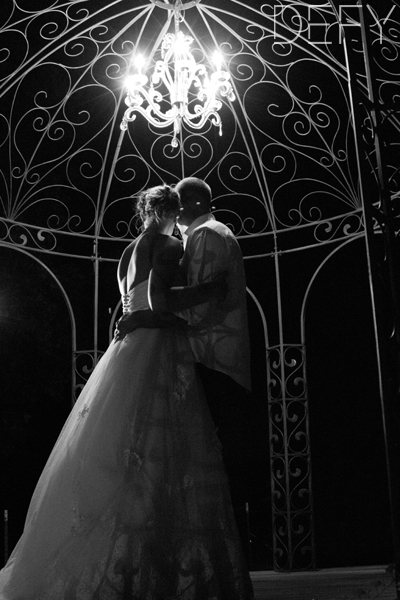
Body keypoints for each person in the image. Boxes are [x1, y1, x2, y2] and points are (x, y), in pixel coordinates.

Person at [0, 184, 254, 600]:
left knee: (122, 448)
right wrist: (208, 294)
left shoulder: (128, 250)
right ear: (173, 210)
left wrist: (135, 322)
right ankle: (158, 568)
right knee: (163, 448)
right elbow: (158, 302)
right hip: (157, 348)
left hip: (125, 351)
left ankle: (132, 566)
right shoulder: (170, 244)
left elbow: (131, 305)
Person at [175, 177, 252, 561]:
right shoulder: (213, 233)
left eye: (178, 202)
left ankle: (226, 554)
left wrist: (161, 318)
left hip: (215, 358)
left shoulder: (206, 234)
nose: (174, 212)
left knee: (219, 460)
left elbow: (204, 302)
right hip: (218, 358)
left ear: (193, 203)